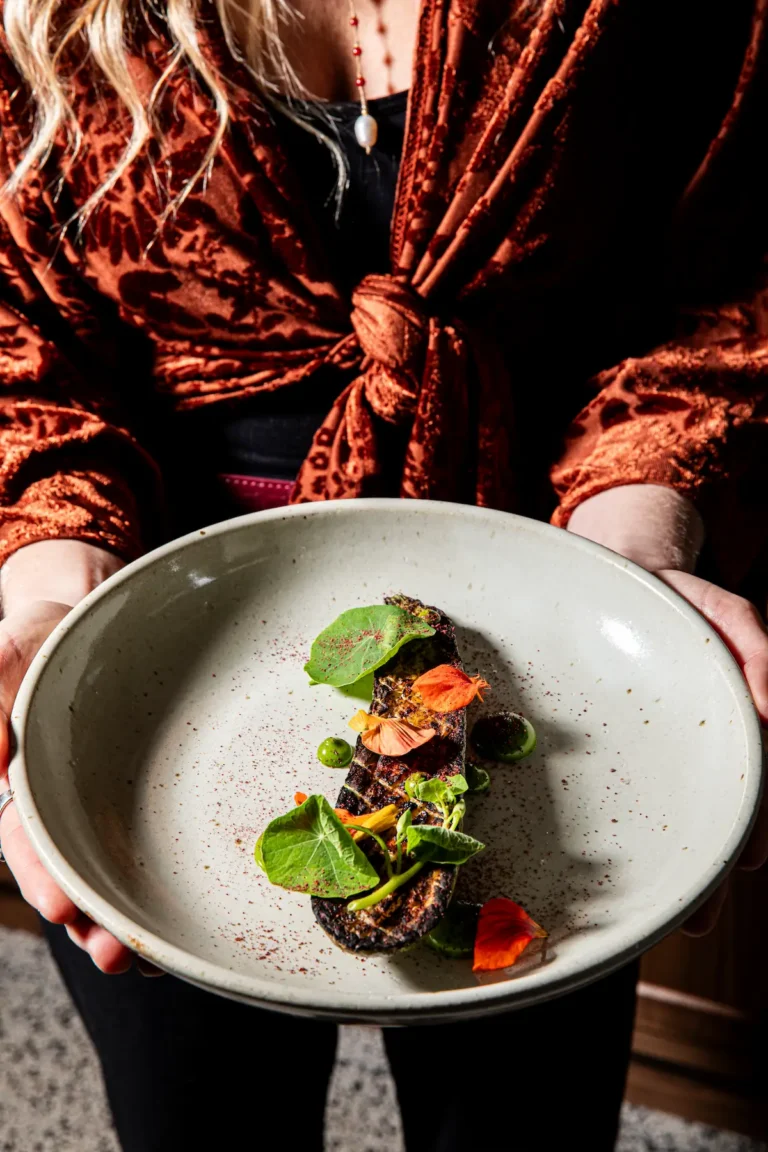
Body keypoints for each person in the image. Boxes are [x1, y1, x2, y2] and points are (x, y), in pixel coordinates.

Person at [0, 1, 767, 1149]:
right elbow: (24, 354)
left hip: (554, 615)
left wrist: (637, 555)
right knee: (197, 1121)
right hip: (159, 667)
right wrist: (54, 611)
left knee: (523, 1124)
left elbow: (725, 277)